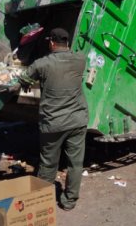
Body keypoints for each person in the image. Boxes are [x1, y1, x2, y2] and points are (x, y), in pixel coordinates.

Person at [19, 27, 88, 211]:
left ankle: (42, 202)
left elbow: (23, 78)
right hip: (77, 120)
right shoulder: (80, 60)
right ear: (67, 42)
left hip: (53, 124)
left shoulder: (42, 64)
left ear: (51, 43)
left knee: (49, 163)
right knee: (75, 163)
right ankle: (69, 201)